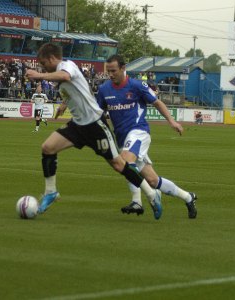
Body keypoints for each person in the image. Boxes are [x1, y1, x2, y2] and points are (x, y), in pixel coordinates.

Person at [25, 43, 162, 219]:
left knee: (119, 164)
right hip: (78, 125)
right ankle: (51, 192)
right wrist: (64, 105)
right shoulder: (59, 73)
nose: (43, 67)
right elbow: (77, 90)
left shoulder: (66, 66)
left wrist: (39, 75)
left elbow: (66, 76)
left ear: (52, 58)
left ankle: (151, 194)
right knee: (47, 148)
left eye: (44, 63)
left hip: (95, 125)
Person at [96, 55, 197, 219]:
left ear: (123, 68)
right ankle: (188, 197)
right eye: (109, 71)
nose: (111, 74)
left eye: (114, 71)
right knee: (152, 180)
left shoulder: (137, 85)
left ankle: (142, 199)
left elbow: (157, 102)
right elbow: (98, 112)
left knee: (125, 161)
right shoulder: (104, 90)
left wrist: (172, 121)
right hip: (122, 138)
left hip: (139, 132)